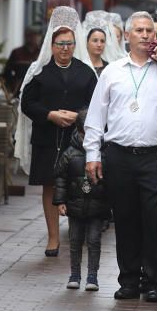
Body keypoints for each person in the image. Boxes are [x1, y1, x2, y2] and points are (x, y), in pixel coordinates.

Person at [84, 11, 157, 303]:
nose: (145, 35)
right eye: (139, 31)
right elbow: (96, 116)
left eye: (149, 31)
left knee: (155, 220)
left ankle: (155, 280)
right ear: (127, 36)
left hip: (156, 156)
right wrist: (93, 153)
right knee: (126, 219)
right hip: (119, 155)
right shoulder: (113, 71)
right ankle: (129, 280)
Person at [15, 7, 97, 256]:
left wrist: (77, 116)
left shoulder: (86, 72)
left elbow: (96, 104)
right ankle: (52, 238)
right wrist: (49, 114)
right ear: (51, 45)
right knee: (49, 185)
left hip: (76, 140)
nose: (65, 48)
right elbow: (27, 102)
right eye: (60, 43)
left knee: (77, 186)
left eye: (69, 43)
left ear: (75, 44)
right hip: (47, 138)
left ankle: (75, 233)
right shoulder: (39, 72)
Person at [53, 109, 109, 291]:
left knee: (94, 241)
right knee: (75, 240)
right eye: (84, 134)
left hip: (97, 207)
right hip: (75, 206)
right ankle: (74, 274)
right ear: (78, 132)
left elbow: (112, 181)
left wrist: (109, 204)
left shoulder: (105, 153)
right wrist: (60, 201)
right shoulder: (69, 154)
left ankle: (92, 276)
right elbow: (60, 178)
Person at [83, 10, 125, 76]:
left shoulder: (110, 67)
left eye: (102, 41)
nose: (99, 45)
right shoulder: (81, 65)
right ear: (87, 42)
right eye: (95, 40)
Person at [3, 25, 42, 97]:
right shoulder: (17, 53)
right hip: (19, 92)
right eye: (32, 35)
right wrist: (13, 86)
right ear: (26, 37)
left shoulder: (42, 54)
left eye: (37, 35)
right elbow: (6, 73)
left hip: (39, 92)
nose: (36, 38)